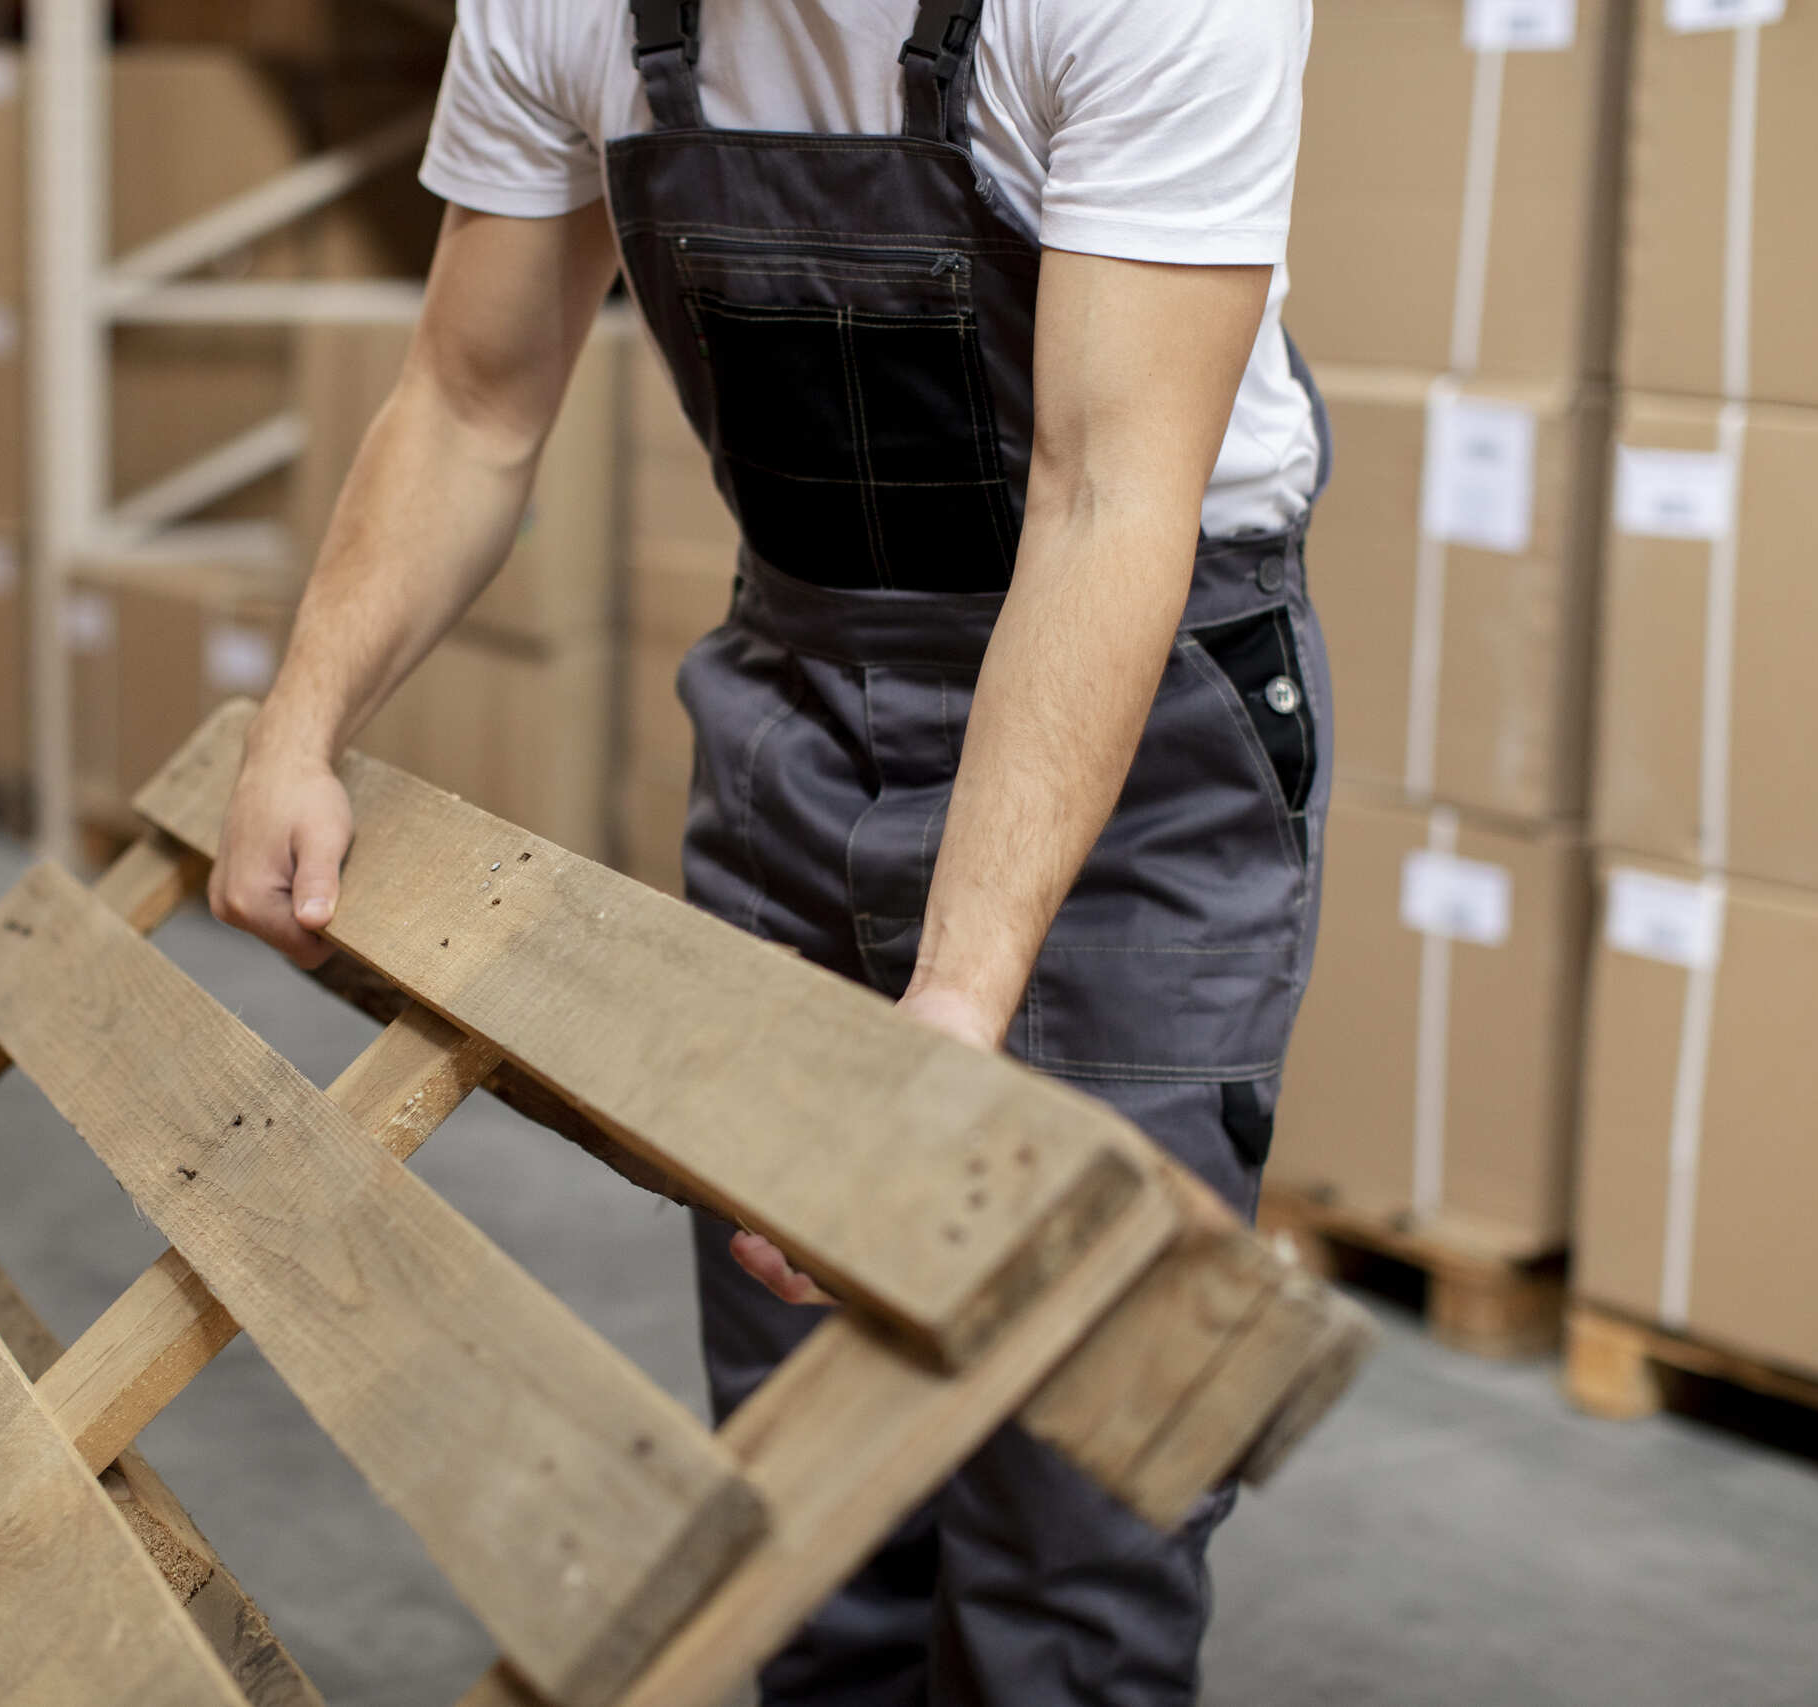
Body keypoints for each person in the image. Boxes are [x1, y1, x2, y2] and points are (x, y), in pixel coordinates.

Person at [210, 1, 1331, 1700]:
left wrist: (955, 1003)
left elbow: (1109, 497)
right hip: (797, 700)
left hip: (1140, 723)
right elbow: (466, 395)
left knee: (1069, 1525)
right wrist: (297, 723)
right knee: (809, 1491)